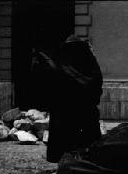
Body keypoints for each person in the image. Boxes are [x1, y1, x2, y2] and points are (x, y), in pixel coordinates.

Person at [35, 35, 103, 163]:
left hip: (74, 115)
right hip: (76, 114)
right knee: (84, 151)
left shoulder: (64, 65)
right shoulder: (85, 63)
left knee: (81, 151)